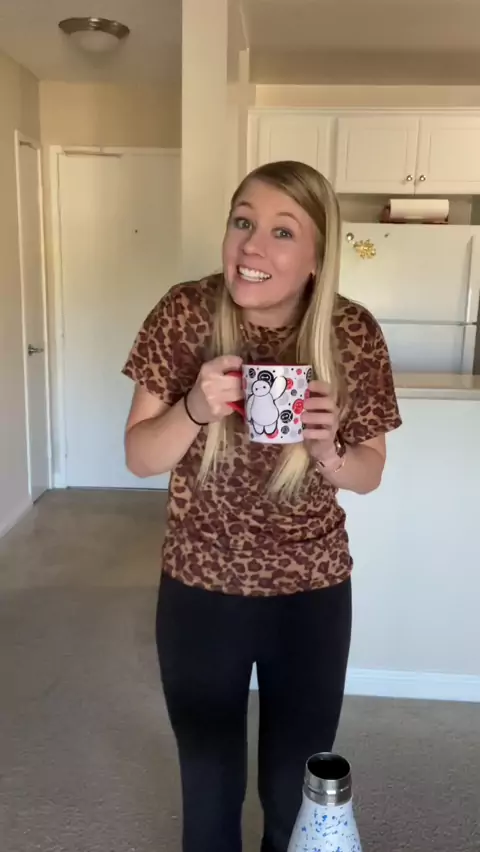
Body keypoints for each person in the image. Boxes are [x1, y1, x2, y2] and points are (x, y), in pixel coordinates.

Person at [122, 160, 401, 852]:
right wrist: (194, 406)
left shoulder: (353, 332)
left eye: (283, 231)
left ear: (316, 258)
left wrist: (329, 449)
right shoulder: (185, 312)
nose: (252, 245)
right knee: (209, 788)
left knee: (292, 791)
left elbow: (369, 474)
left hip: (310, 590)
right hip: (200, 585)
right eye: (243, 221)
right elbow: (139, 457)